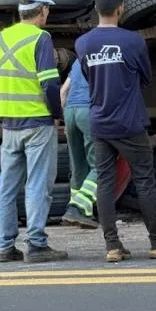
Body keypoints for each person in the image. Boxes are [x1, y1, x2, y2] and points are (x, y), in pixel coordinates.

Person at [75, 0, 156, 263]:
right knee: (145, 180)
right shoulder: (133, 41)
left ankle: (112, 246)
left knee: (105, 182)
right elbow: (146, 77)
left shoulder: (83, 43)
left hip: (99, 122)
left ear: (97, 10)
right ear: (121, 8)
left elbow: (89, 77)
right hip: (130, 122)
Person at [0, 0, 68, 263]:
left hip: (10, 124)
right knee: (38, 184)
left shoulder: (0, 38)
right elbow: (49, 85)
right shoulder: (41, 39)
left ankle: (4, 246)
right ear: (43, 10)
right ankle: (36, 244)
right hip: (37, 123)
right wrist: (56, 115)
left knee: (7, 186)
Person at [59, 57, 100, 229]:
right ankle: (77, 207)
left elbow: (63, 91)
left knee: (78, 165)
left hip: (70, 112)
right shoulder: (102, 59)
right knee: (101, 164)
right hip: (88, 109)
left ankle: (84, 213)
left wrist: (65, 121)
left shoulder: (78, 61)